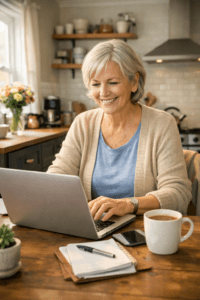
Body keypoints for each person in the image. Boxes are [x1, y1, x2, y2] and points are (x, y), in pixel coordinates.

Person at [47, 39, 191, 221]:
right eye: (96, 84)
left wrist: (127, 205)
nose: (103, 93)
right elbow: (59, 174)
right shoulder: (83, 123)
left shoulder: (162, 124)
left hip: (143, 233)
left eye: (113, 82)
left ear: (134, 82)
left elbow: (178, 193)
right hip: (92, 227)